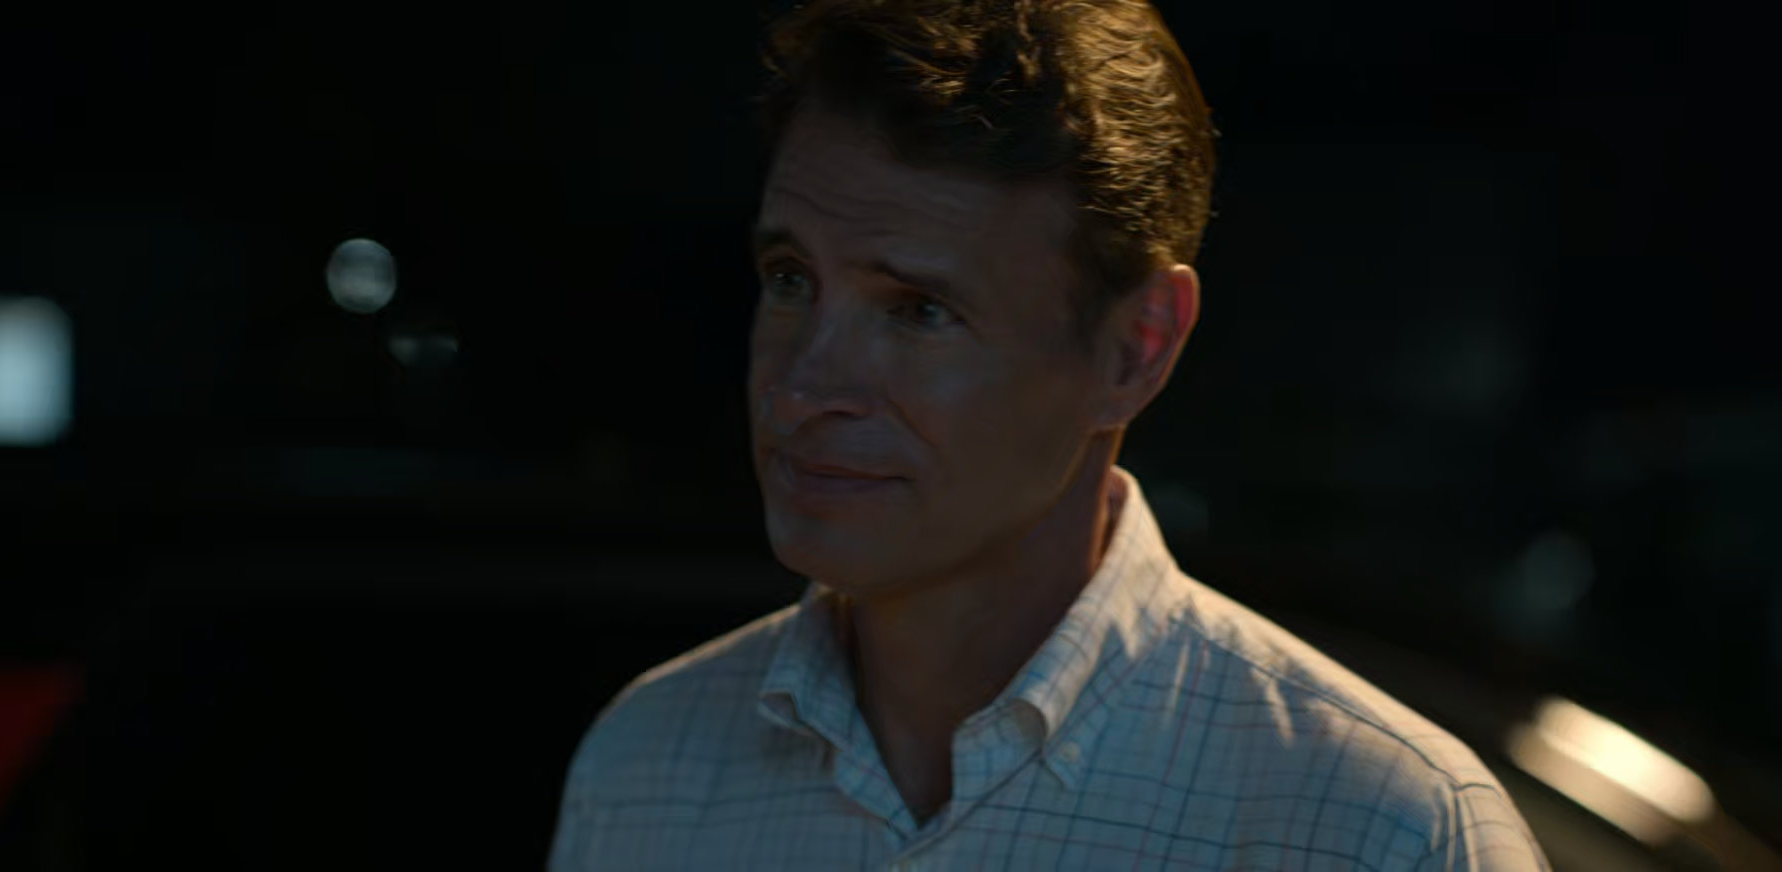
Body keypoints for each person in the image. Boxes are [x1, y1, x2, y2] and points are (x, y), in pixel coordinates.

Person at [550, 0, 1550, 868]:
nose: (803, 386)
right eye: (790, 279)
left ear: (1136, 349)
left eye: (917, 309)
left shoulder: (1376, 829)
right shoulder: (648, 766)